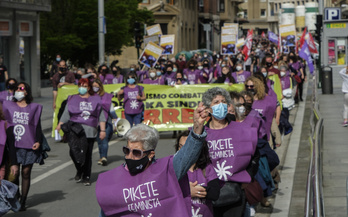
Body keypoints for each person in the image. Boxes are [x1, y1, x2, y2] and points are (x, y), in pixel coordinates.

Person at [96, 102, 208, 217]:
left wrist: (197, 128)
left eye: (136, 152)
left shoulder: (165, 171)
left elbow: (186, 156)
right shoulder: (114, 180)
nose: (129, 156)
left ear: (150, 154)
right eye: (126, 150)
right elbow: (107, 210)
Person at [201, 87, 258, 217]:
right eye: (216, 102)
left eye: (223, 101)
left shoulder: (243, 130)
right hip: (209, 192)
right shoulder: (201, 134)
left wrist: (247, 178)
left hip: (235, 191)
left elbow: (255, 156)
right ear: (208, 109)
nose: (220, 105)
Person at [56, 78, 106, 186]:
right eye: (79, 85)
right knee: (73, 151)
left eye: (84, 86)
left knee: (87, 154)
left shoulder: (96, 100)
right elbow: (66, 113)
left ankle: (86, 176)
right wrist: (60, 124)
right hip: (75, 129)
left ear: (88, 87)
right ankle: (79, 169)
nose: (81, 88)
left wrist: (102, 130)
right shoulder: (72, 98)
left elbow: (101, 116)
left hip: (89, 131)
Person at [2, 82, 43, 211]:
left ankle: (23, 200)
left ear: (26, 92)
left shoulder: (34, 108)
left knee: (26, 172)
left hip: (29, 145)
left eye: (21, 88)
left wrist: (38, 141)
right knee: (14, 174)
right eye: (16, 89)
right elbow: (3, 124)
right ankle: (17, 193)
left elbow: (37, 127)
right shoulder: (8, 106)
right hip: (13, 146)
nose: (18, 91)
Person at [174, 131, 220, 217]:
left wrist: (198, 190)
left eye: (187, 147)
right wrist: (187, 191)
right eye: (180, 147)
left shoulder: (207, 168)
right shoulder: (173, 168)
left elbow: (215, 193)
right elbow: (167, 192)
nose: (183, 151)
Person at [93, 79, 117, 166]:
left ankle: (104, 157)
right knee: (99, 141)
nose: (95, 88)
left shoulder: (106, 96)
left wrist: (115, 120)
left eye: (96, 86)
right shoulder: (90, 96)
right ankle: (101, 156)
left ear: (100, 86)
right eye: (93, 86)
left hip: (106, 121)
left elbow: (111, 110)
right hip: (94, 123)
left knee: (104, 140)